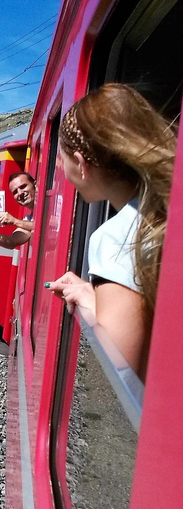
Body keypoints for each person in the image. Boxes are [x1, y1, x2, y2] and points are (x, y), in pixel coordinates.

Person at [47, 83, 177, 380]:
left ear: (80, 164)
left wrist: (91, 302)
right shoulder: (164, 212)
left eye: (62, 159)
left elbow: (122, 369)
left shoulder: (116, 237)